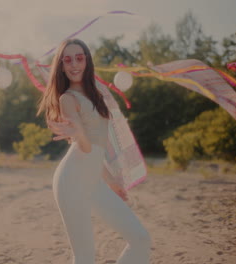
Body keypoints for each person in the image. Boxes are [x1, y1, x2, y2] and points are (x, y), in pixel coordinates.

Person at [38, 38, 151, 264]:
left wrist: (110, 181)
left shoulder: (95, 95)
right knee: (85, 256)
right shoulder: (67, 99)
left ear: (87, 61)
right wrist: (78, 135)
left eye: (79, 58)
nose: (74, 64)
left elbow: (96, 147)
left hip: (93, 181)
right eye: (67, 60)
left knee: (140, 239)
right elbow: (86, 147)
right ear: (61, 65)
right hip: (70, 181)